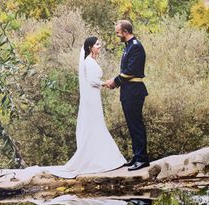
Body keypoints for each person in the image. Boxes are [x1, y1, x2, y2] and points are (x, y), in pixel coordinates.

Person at [45, 37, 126, 178]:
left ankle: (103, 158)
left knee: (97, 125)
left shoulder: (91, 61)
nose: (100, 46)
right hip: (91, 99)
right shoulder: (88, 62)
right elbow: (92, 81)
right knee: (95, 125)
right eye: (97, 44)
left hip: (94, 96)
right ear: (90, 47)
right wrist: (107, 83)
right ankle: (100, 160)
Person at [105, 20, 149, 171]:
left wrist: (115, 81)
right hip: (128, 90)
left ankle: (142, 158)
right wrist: (116, 82)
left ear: (125, 32)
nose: (117, 35)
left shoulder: (136, 47)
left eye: (118, 32)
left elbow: (130, 70)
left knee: (136, 124)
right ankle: (137, 156)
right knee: (131, 125)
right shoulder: (128, 47)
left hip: (135, 91)